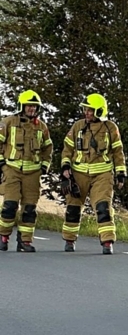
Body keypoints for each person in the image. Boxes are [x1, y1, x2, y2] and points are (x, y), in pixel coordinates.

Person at [60, 94, 127, 254]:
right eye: (85, 109)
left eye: (90, 110)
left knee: (103, 207)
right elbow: (67, 149)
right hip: (79, 174)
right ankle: (69, 239)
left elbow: (118, 152)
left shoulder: (110, 128)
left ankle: (107, 242)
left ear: (99, 111)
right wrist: (65, 168)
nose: (87, 113)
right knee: (73, 208)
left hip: (102, 174)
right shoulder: (77, 126)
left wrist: (120, 173)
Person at [0, 90, 53, 252]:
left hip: (33, 173)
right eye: (29, 105)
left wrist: (44, 166)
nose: (31, 109)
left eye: (34, 106)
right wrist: (1, 164)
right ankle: (3, 236)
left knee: (30, 208)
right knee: (10, 205)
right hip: (12, 170)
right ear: (22, 106)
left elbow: (48, 149)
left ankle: (25, 241)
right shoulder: (8, 122)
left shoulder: (42, 127)